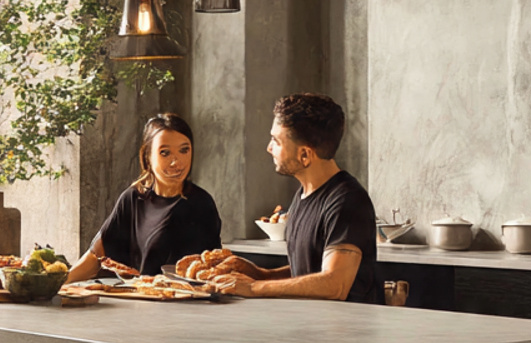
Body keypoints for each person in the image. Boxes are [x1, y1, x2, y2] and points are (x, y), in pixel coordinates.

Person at [214, 93, 382, 302]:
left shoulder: (347, 201)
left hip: (344, 334)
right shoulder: (303, 195)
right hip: (310, 330)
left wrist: (256, 287)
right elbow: (310, 273)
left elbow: (335, 284)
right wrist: (261, 274)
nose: (269, 148)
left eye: (276, 141)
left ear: (305, 155)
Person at [66, 112, 222, 282]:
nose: (176, 162)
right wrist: (59, 284)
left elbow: (215, 270)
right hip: (140, 301)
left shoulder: (201, 204)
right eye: (165, 153)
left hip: (189, 305)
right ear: (147, 156)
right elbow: (96, 257)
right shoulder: (133, 198)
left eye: (184, 150)